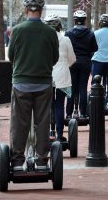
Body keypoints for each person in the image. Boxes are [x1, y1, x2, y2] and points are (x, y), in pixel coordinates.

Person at [8, 0, 59, 171]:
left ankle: (16, 160)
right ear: (42, 10)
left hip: (21, 82)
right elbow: (55, 58)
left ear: (25, 10)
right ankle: (42, 160)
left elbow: (11, 56)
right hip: (43, 83)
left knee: (19, 122)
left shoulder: (17, 30)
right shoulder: (50, 32)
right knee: (42, 121)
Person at [44, 14, 76, 142]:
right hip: (62, 75)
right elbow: (72, 59)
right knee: (59, 105)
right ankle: (59, 134)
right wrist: (63, 65)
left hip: (46, 74)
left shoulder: (43, 39)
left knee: (47, 105)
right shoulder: (65, 39)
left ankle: (48, 132)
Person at [65, 10, 98, 118]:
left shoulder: (68, 33)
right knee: (82, 88)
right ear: (84, 21)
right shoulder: (90, 33)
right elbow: (95, 48)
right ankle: (83, 113)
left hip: (72, 63)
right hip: (85, 62)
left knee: (71, 88)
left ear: (75, 20)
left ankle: (69, 114)